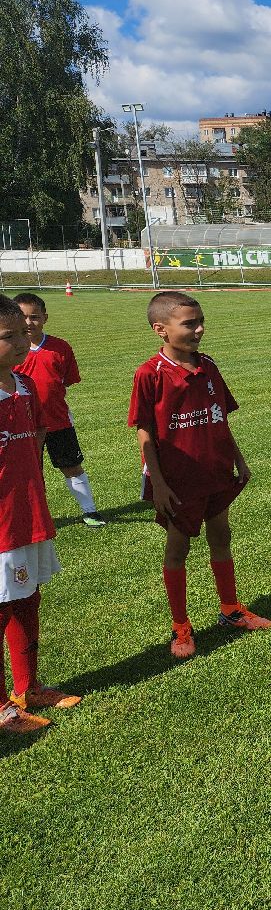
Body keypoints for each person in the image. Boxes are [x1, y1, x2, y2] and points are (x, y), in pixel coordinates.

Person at [129, 291, 271, 659]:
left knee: (221, 534)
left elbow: (220, 416)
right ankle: (181, 627)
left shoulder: (208, 365)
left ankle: (230, 610)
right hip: (179, 479)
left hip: (216, 469)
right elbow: (144, 431)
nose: (199, 329)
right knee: (178, 548)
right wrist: (158, 482)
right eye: (189, 323)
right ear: (160, 329)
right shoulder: (150, 374)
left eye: (200, 321)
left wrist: (238, 458)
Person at [0, 294, 81, 733]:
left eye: (20, 333)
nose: (19, 341)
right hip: (1, 524)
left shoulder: (24, 385)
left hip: (29, 515)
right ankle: (2, 707)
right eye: (7, 336)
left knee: (27, 600)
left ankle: (27, 688)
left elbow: (36, 441)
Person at [11, 293, 105, 527]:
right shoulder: (9, 350)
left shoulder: (60, 348)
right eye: (23, 317)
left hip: (57, 421)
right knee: (28, 473)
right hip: (21, 424)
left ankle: (90, 511)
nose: (29, 322)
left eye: (35, 317)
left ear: (45, 318)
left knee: (71, 466)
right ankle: (33, 517)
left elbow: (66, 380)